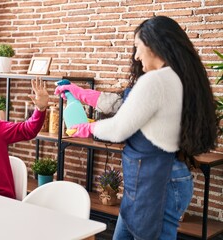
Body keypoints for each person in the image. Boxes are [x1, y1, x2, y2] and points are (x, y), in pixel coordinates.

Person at [55, 16, 217, 239]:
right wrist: (79, 93)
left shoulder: (156, 81)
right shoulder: (178, 78)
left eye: (138, 47)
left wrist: (87, 128)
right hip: (155, 178)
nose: (136, 56)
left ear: (153, 44)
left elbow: (120, 127)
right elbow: (122, 104)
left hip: (158, 181)